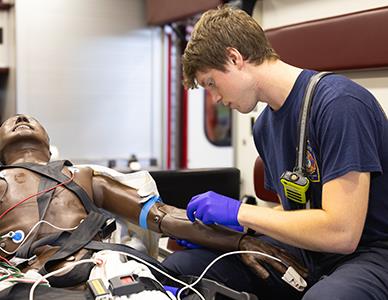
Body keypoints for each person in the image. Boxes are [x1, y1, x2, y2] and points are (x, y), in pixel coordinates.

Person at [162, 5, 388, 300]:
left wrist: (241, 212)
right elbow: (296, 211)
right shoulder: (265, 127)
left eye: (211, 83)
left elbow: (342, 232)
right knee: (183, 267)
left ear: (234, 58)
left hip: (371, 252)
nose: (215, 98)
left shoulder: (339, 104)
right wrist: (231, 229)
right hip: (312, 251)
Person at [0, 114, 306, 298]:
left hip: (100, 269)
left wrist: (241, 240)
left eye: (31, 119)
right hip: (27, 277)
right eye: (11, 121)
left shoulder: (83, 177)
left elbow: (164, 218)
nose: (22, 119)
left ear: (48, 141)